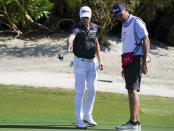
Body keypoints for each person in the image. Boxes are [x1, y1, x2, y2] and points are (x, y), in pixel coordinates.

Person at [112, 2, 150, 131]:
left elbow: (146, 40)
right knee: (130, 90)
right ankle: (135, 123)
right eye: (117, 16)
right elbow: (127, 46)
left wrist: (144, 62)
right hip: (128, 59)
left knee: (133, 90)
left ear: (126, 10)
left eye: (120, 14)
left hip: (136, 59)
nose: (119, 17)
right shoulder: (124, 25)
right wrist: (124, 67)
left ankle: (133, 123)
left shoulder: (136, 22)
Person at [67, 6, 103, 129]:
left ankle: (87, 115)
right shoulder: (76, 27)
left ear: (90, 16)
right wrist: (70, 44)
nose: (85, 19)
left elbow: (96, 43)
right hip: (80, 63)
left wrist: (99, 60)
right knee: (80, 91)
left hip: (92, 62)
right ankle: (79, 120)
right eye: (83, 17)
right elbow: (71, 36)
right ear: (80, 17)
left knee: (92, 89)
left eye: (87, 17)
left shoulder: (94, 27)